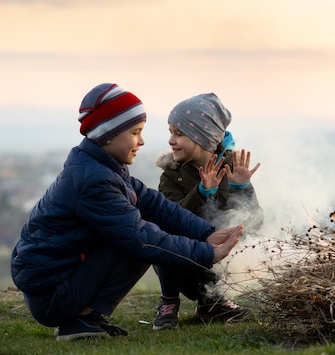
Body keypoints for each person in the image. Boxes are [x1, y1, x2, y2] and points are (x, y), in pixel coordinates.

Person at [10, 83, 243, 341]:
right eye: (135, 132)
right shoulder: (94, 180)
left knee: (145, 229)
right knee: (141, 240)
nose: (142, 141)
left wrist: (207, 233)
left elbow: (156, 204)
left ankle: (86, 318)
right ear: (109, 134)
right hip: (52, 295)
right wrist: (207, 253)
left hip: (56, 284)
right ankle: (78, 321)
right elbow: (141, 238)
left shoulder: (103, 167)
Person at [152, 93, 263, 330]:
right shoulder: (171, 174)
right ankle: (169, 301)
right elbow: (170, 218)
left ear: (202, 138)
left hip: (219, 263)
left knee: (231, 240)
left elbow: (253, 223)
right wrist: (202, 192)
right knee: (162, 234)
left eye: (179, 134)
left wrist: (242, 188)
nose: (171, 140)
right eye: (170, 132)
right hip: (180, 261)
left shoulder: (232, 167)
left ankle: (211, 303)